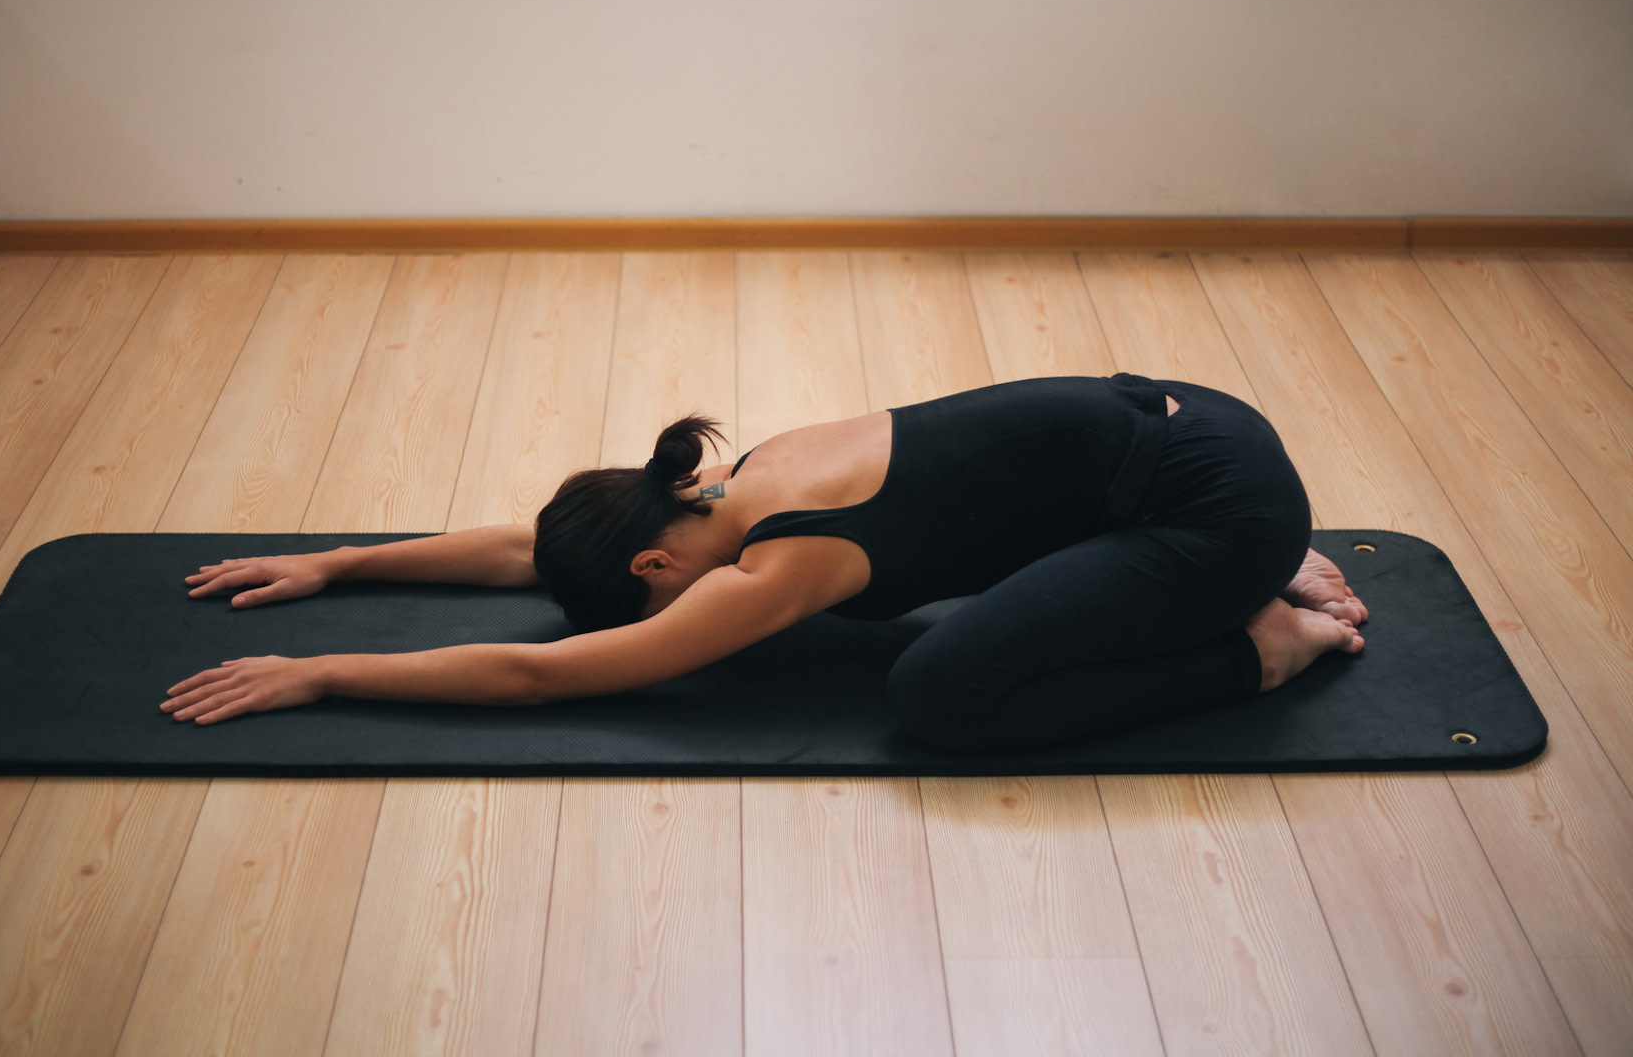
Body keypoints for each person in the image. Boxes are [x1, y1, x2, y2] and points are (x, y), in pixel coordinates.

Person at [162, 374, 1366, 751]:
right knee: (996, 570)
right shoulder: (748, 478)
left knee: (941, 697)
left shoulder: (784, 565)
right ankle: (1262, 557)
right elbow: (531, 551)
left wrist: (325, 675)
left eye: (646, 595)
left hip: (1212, 512)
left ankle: (1264, 638)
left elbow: (552, 676)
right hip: (1190, 427)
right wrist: (346, 564)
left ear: (651, 564)